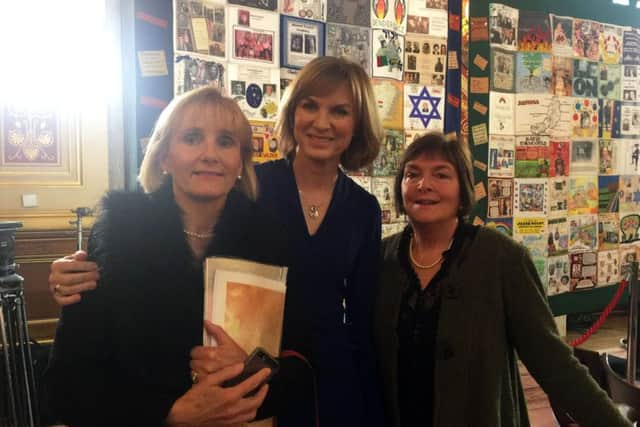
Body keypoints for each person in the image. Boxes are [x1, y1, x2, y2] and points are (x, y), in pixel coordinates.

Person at [47, 57, 384, 427]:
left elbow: (311, 344)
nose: (209, 154)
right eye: (192, 138)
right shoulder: (121, 235)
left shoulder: (275, 232)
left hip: (283, 399)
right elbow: (73, 378)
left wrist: (250, 367)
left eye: (225, 142)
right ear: (163, 155)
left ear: (241, 162)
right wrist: (169, 414)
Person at [374, 132, 631, 427]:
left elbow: (554, 362)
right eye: (412, 174)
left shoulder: (501, 258)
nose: (424, 184)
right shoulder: (383, 259)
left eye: (441, 175)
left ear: (463, 190)